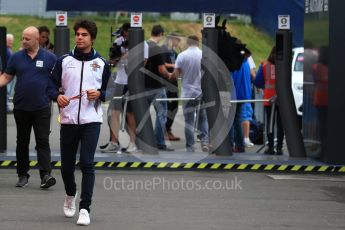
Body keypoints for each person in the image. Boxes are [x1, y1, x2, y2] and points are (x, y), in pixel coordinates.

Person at [49, 19, 110, 226]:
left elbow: (110, 91)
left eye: (84, 35)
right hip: (68, 120)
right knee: (66, 167)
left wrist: (100, 93)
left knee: (87, 162)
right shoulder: (63, 61)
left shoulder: (101, 63)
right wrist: (57, 97)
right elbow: (50, 86)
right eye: (78, 34)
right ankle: (70, 194)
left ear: (92, 38)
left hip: (91, 120)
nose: (80, 38)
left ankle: (85, 208)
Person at [0, 26, 57, 188]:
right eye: (22, 38)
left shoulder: (50, 58)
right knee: (22, 142)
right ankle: (22, 175)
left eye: (27, 39)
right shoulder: (16, 57)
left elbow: (60, 78)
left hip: (42, 107)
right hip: (21, 107)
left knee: (42, 141)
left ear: (37, 39)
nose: (23, 41)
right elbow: (6, 76)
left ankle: (46, 175)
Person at [102, 22, 138, 153]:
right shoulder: (118, 42)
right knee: (114, 113)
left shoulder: (141, 43)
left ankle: (133, 142)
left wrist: (129, 55)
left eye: (129, 31)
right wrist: (116, 58)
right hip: (119, 81)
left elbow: (143, 63)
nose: (126, 34)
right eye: (125, 31)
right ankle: (113, 142)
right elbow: (111, 60)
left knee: (130, 114)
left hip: (133, 82)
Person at [171, 35, 209, 152]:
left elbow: (175, 75)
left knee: (189, 121)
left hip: (187, 93)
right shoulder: (203, 55)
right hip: (201, 92)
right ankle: (205, 142)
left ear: (187, 43)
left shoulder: (182, 56)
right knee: (203, 118)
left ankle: (190, 146)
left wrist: (174, 75)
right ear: (198, 42)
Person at [144, 25, 174, 151]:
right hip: (157, 87)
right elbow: (161, 69)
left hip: (144, 86)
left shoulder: (144, 45)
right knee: (161, 115)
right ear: (161, 34)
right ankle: (159, 142)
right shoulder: (157, 48)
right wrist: (170, 75)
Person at [254, 46, 284, 155]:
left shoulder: (264, 65)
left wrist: (265, 87)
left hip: (269, 98)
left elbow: (257, 81)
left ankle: (270, 147)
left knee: (270, 124)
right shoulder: (284, 65)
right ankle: (279, 148)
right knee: (281, 124)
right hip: (282, 98)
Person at [161, 33, 181, 141]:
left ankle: (168, 129)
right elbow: (162, 64)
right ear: (172, 39)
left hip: (173, 82)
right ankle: (164, 131)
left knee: (175, 106)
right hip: (165, 82)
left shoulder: (175, 53)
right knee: (167, 107)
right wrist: (175, 66)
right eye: (177, 40)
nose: (179, 42)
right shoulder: (163, 50)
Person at [6, 34, 14, 112]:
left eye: (11, 40)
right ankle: (6, 107)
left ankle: (6, 106)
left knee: (8, 91)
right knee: (7, 91)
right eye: (9, 40)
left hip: (10, 73)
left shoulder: (8, 50)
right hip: (8, 74)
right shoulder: (6, 50)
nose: (11, 42)